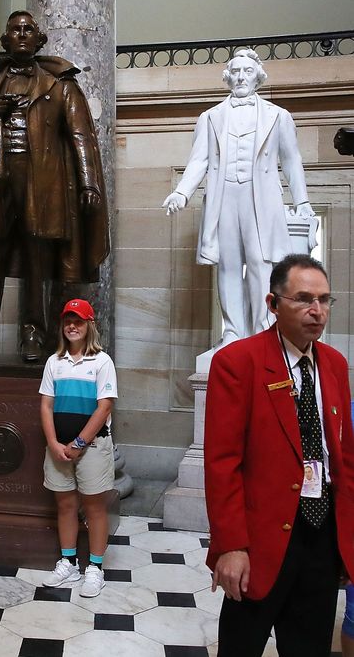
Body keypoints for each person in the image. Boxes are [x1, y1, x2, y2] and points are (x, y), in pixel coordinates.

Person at [204, 254, 354, 656]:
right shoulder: (238, 363)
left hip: (322, 535)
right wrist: (231, 545)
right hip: (261, 538)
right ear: (273, 303)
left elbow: (344, 459)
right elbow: (222, 463)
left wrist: (347, 540)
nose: (317, 311)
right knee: (242, 644)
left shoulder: (336, 365)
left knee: (308, 645)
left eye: (324, 300)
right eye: (304, 299)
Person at [0, 10, 109, 362]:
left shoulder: (60, 84)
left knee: (37, 260)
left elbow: (81, 134)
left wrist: (89, 182)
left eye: (28, 30)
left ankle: (34, 335)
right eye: (15, 30)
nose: (21, 34)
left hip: (42, 182)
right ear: (6, 40)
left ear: (39, 41)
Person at [162, 49, 315, 346]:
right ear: (227, 77)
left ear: (257, 77)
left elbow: (292, 160)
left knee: (261, 264)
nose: (241, 76)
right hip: (224, 197)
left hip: (262, 198)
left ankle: (262, 331)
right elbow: (199, 160)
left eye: (247, 71)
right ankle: (232, 332)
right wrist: (182, 192)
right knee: (229, 265)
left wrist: (303, 201)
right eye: (236, 71)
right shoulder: (210, 117)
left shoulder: (278, 115)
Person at [39, 299, 117, 598]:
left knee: (95, 507)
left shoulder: (101, 362)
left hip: (92, 447)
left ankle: (95, 568)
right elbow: (46, 405)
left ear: (89, 326)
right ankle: (69, 562)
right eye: (68, 320)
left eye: (79, 321)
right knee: (66, 505)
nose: (72, 326)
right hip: (58, 449)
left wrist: (79, 443)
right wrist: (53, 443)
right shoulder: (53, 362)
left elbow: (104, 406)